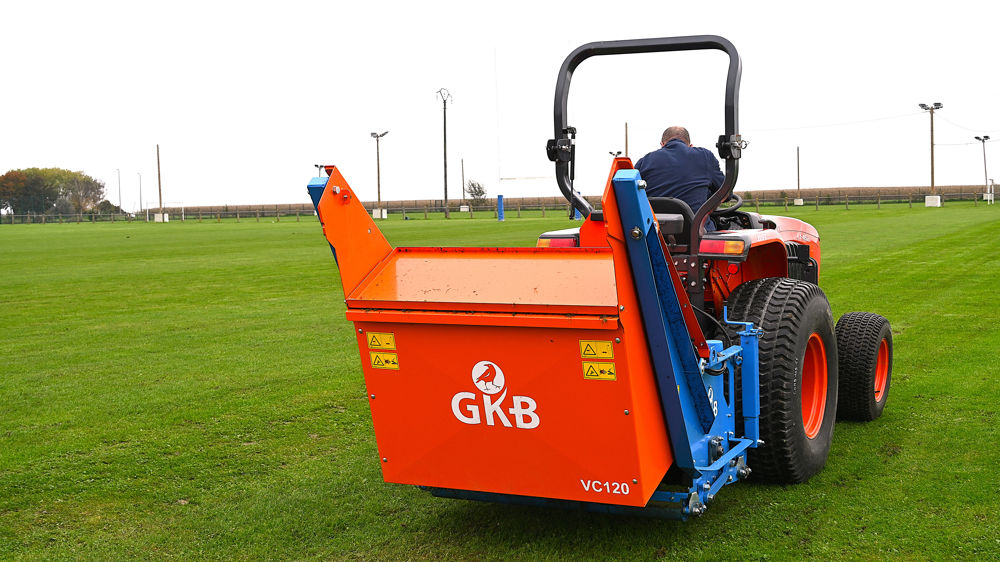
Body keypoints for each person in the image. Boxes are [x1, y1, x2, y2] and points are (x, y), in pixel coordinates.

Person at [634, 126, 725, 231]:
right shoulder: (705, 156)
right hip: (697, 235)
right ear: (690, 146)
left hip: (654, 235)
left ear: (662, 144)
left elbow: (634, 197)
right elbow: (725, 192)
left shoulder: (644, 161)